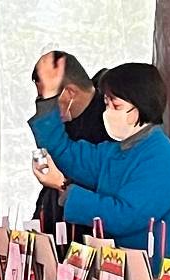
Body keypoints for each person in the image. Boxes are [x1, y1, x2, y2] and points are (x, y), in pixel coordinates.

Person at [28, 56, 170, 274]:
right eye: (106, 104)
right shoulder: (114, 152)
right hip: (114, 272)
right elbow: (64, 152)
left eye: (116, 105)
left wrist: (64, 186)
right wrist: (48, 99)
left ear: (140, 107)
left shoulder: (166, 161)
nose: (107, 113)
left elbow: (123, 217)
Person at [31, 51, 111, 259]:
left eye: (47, 99)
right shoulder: (63, 121)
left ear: (70, 92)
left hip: (91, 233)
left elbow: (106, 192)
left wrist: (62, 183)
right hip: (54, 215)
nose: (44, 105)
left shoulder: (109, 124)